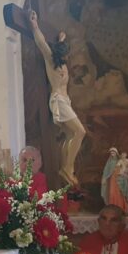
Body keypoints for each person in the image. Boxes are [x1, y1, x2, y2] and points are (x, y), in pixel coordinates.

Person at [29, 10, 87, 188]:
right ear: (59, 55)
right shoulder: (51, 60)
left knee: (70, 134)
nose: (66, 58)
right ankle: (68, 168)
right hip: (58, 101)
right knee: (80, 132)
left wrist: (61, 39)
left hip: (65, 101)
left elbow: (59, 47)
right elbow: (41, 43)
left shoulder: (61, 62)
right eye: (64, 55)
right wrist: (35, 25)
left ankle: (65, 168)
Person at [102, 148, 128, 213]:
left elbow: (125, 169)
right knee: (112, 193)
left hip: (119, 179)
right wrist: (105, 178)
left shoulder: (120, 160)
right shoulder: (109, 162)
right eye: (111, 153)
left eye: (114, 152)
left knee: (120, 193)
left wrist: (123, 174)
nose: (112, 154)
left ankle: (121, 208)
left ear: (117, 153)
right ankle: (112, 209)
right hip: (112, 179)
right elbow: (106, 171)